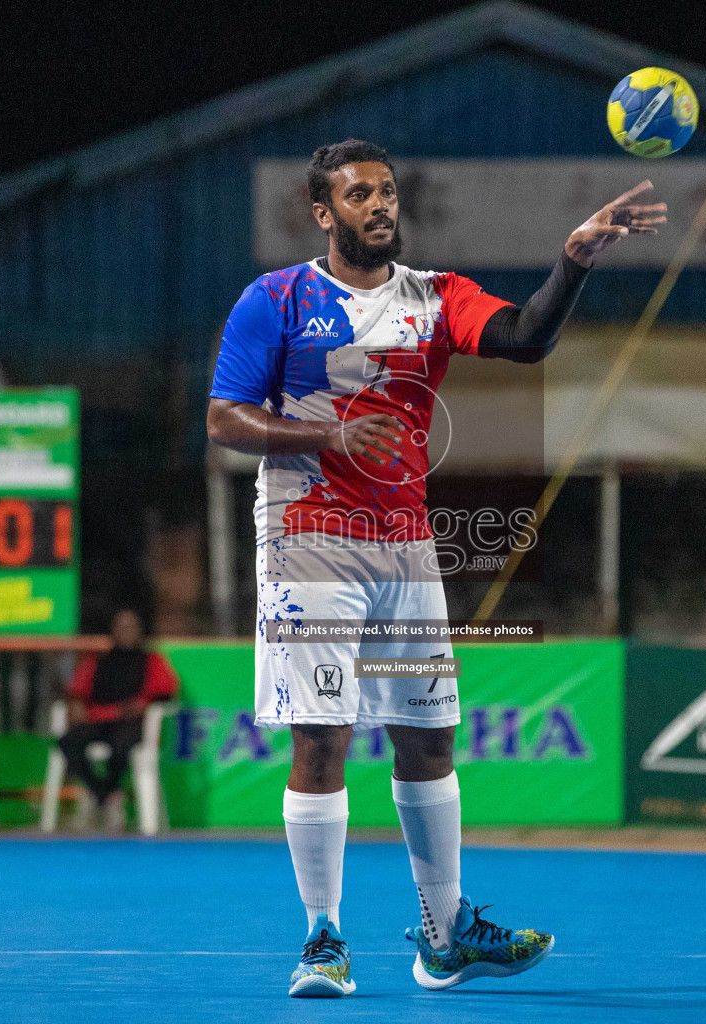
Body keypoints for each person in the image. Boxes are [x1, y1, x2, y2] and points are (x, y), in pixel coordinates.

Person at [206, 139, 665, 996]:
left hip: (405, 547)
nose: (378, 206)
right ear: (323, 211)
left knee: (428, 737)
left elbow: (525, 339)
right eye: (358, 195)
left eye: (386, 192)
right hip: (309, 538)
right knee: (322, 736)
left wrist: (571, 263)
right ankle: (322, 940)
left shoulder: (434, 297)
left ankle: (445, 934)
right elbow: (225, 419)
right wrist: (325, 435)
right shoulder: (275, 300)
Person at [58, 608, 178, 830]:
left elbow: (166, 690)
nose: (127, 632)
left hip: (131, 721)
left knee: (121, 745)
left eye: (131, 627)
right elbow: (76, 691)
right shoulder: (99, 661)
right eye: (122, 627)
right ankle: (103, 794)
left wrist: (144, 704)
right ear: (113, 631)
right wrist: (75, 705)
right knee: (67, 741)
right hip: (99, 720)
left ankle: (103, 797)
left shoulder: (151, 660)